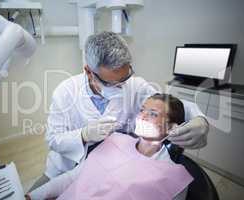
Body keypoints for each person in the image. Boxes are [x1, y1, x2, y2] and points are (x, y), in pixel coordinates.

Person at [29, 31, 209, 191]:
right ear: (89, 72)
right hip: (68, 167)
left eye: (125, 77)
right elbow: (53, 139)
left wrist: (200, 120)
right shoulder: (65, 92)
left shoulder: (134, 86)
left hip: (116, 168)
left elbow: (167, 103)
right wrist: (83, 135)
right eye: (111, 83)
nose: (121, 86)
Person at [26, 94, 193, 200]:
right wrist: (35, 195)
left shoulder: (173, 177)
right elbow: (73, 177)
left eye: (153, 114)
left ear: (171, 128)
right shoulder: (115, 140)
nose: (142, 117)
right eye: (142, 110)